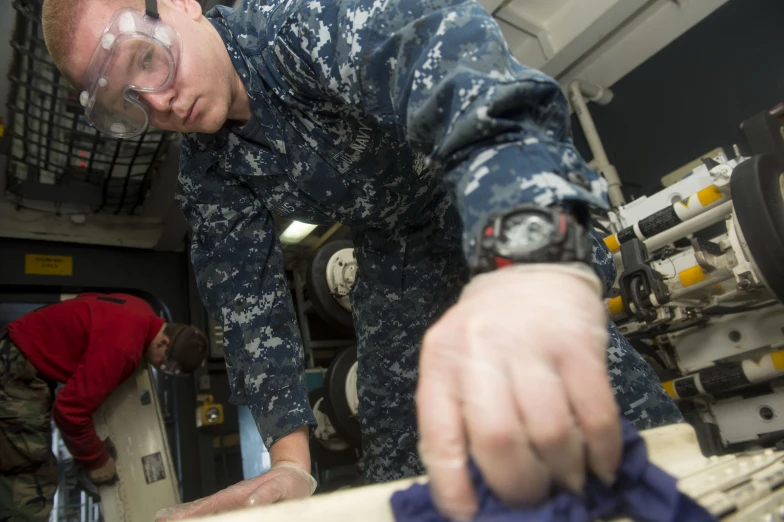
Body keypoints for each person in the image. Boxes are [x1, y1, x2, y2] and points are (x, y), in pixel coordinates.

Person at [41, 0, 685, 519]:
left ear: (183, 6)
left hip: (484, 202)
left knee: (589, 396)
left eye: (148, 60)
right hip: (394, 251)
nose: (158, 103)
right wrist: (291, 462)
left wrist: (541, 271)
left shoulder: (307, 23)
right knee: (399, 456)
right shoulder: (208, 173)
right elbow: (249, 313)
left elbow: (475, 87)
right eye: (128, 102)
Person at [0, 293, 208, 521]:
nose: (159, 368)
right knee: (30, 481)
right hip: (15, 369)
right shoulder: (123, 349)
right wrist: (97, 459)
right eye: (165, 365)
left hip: (18, 353)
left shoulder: (141, 309)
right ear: (164, 342)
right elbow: (69, 413)